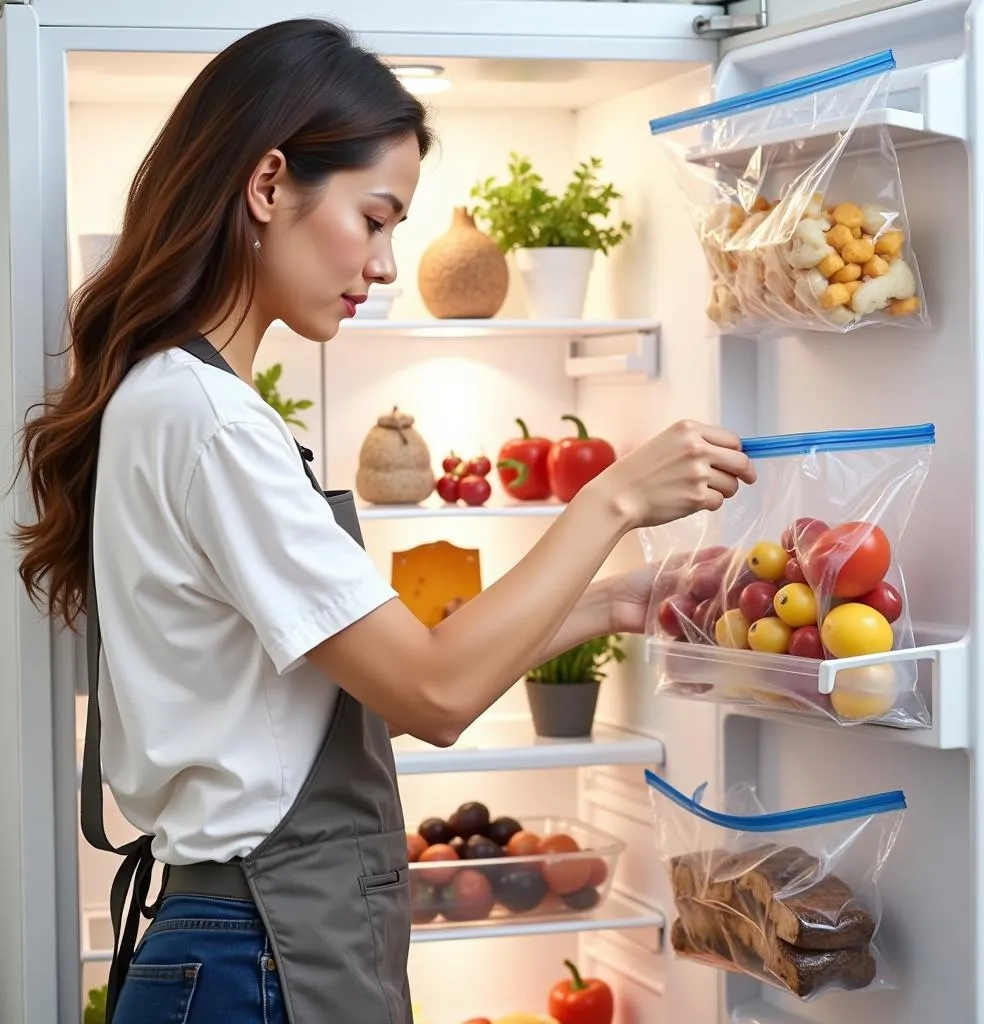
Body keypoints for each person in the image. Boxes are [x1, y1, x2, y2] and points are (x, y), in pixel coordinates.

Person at [13, 17, 755, 1024]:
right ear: (268, 185)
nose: (384, 262)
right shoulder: (208, 418)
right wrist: (611, 498)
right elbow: (439, 696)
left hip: (251, 941)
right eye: (374, 217)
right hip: (259, 950)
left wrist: (611, 600)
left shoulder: (180, 399)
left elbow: (403, 677)